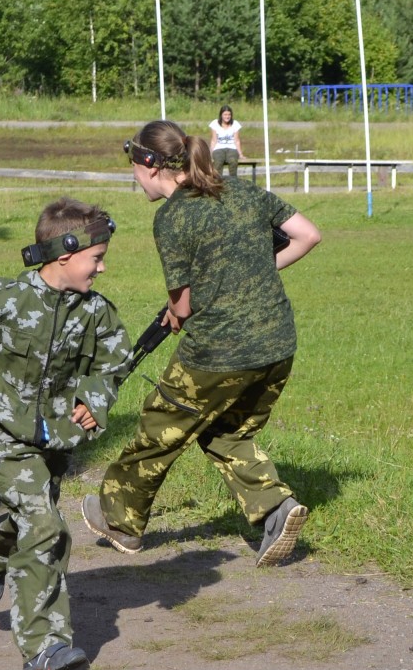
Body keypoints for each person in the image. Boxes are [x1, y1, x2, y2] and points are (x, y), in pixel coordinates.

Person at [82, 120, 321, 569]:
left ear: (151, 165)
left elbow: (183, 306)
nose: (134, 177)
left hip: (218, 352)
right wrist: (252, 271)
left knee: (158, 428)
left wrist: (191, 302)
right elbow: (308, 235)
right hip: (277, 344)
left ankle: (119, 521)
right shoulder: (243, 191)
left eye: (133, 166)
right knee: (226, 431)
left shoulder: (171, 217)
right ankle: (276, 510)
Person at [0, 197, 132, 670]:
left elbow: (115, 361)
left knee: (30, 519)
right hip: (1, 431)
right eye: (96, 258)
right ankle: (46, 647)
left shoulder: (96, 312)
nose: (101, 269)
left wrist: (95, 399)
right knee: (45, 527)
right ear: (64, 253)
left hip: (57, 437)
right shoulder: (0, 296)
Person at [209, 104, 245, 177]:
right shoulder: (215, 124)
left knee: (233, 161)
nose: (227, 116)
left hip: (232, 148)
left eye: (229, 114)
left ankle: (233, 182)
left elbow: (237, 141)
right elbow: (213, 140)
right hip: (218, 148)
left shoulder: (235, 124)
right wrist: (210, 154)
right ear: (221, 115)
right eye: (225, 114)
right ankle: (217, 183)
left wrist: (241, 154)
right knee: (218, 162)